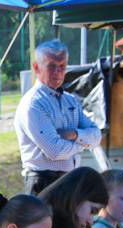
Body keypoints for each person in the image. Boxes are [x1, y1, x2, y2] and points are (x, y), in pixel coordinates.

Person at [14, 39, 102, 197]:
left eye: (62, 66)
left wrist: (75, 135)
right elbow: (55, 151)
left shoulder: (70, 99)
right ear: (36, 67)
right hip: (43, 183)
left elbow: (97, 136)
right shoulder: (33, 104)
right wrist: (84, 143)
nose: (58, 72)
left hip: (70, 180)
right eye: (51, 66)